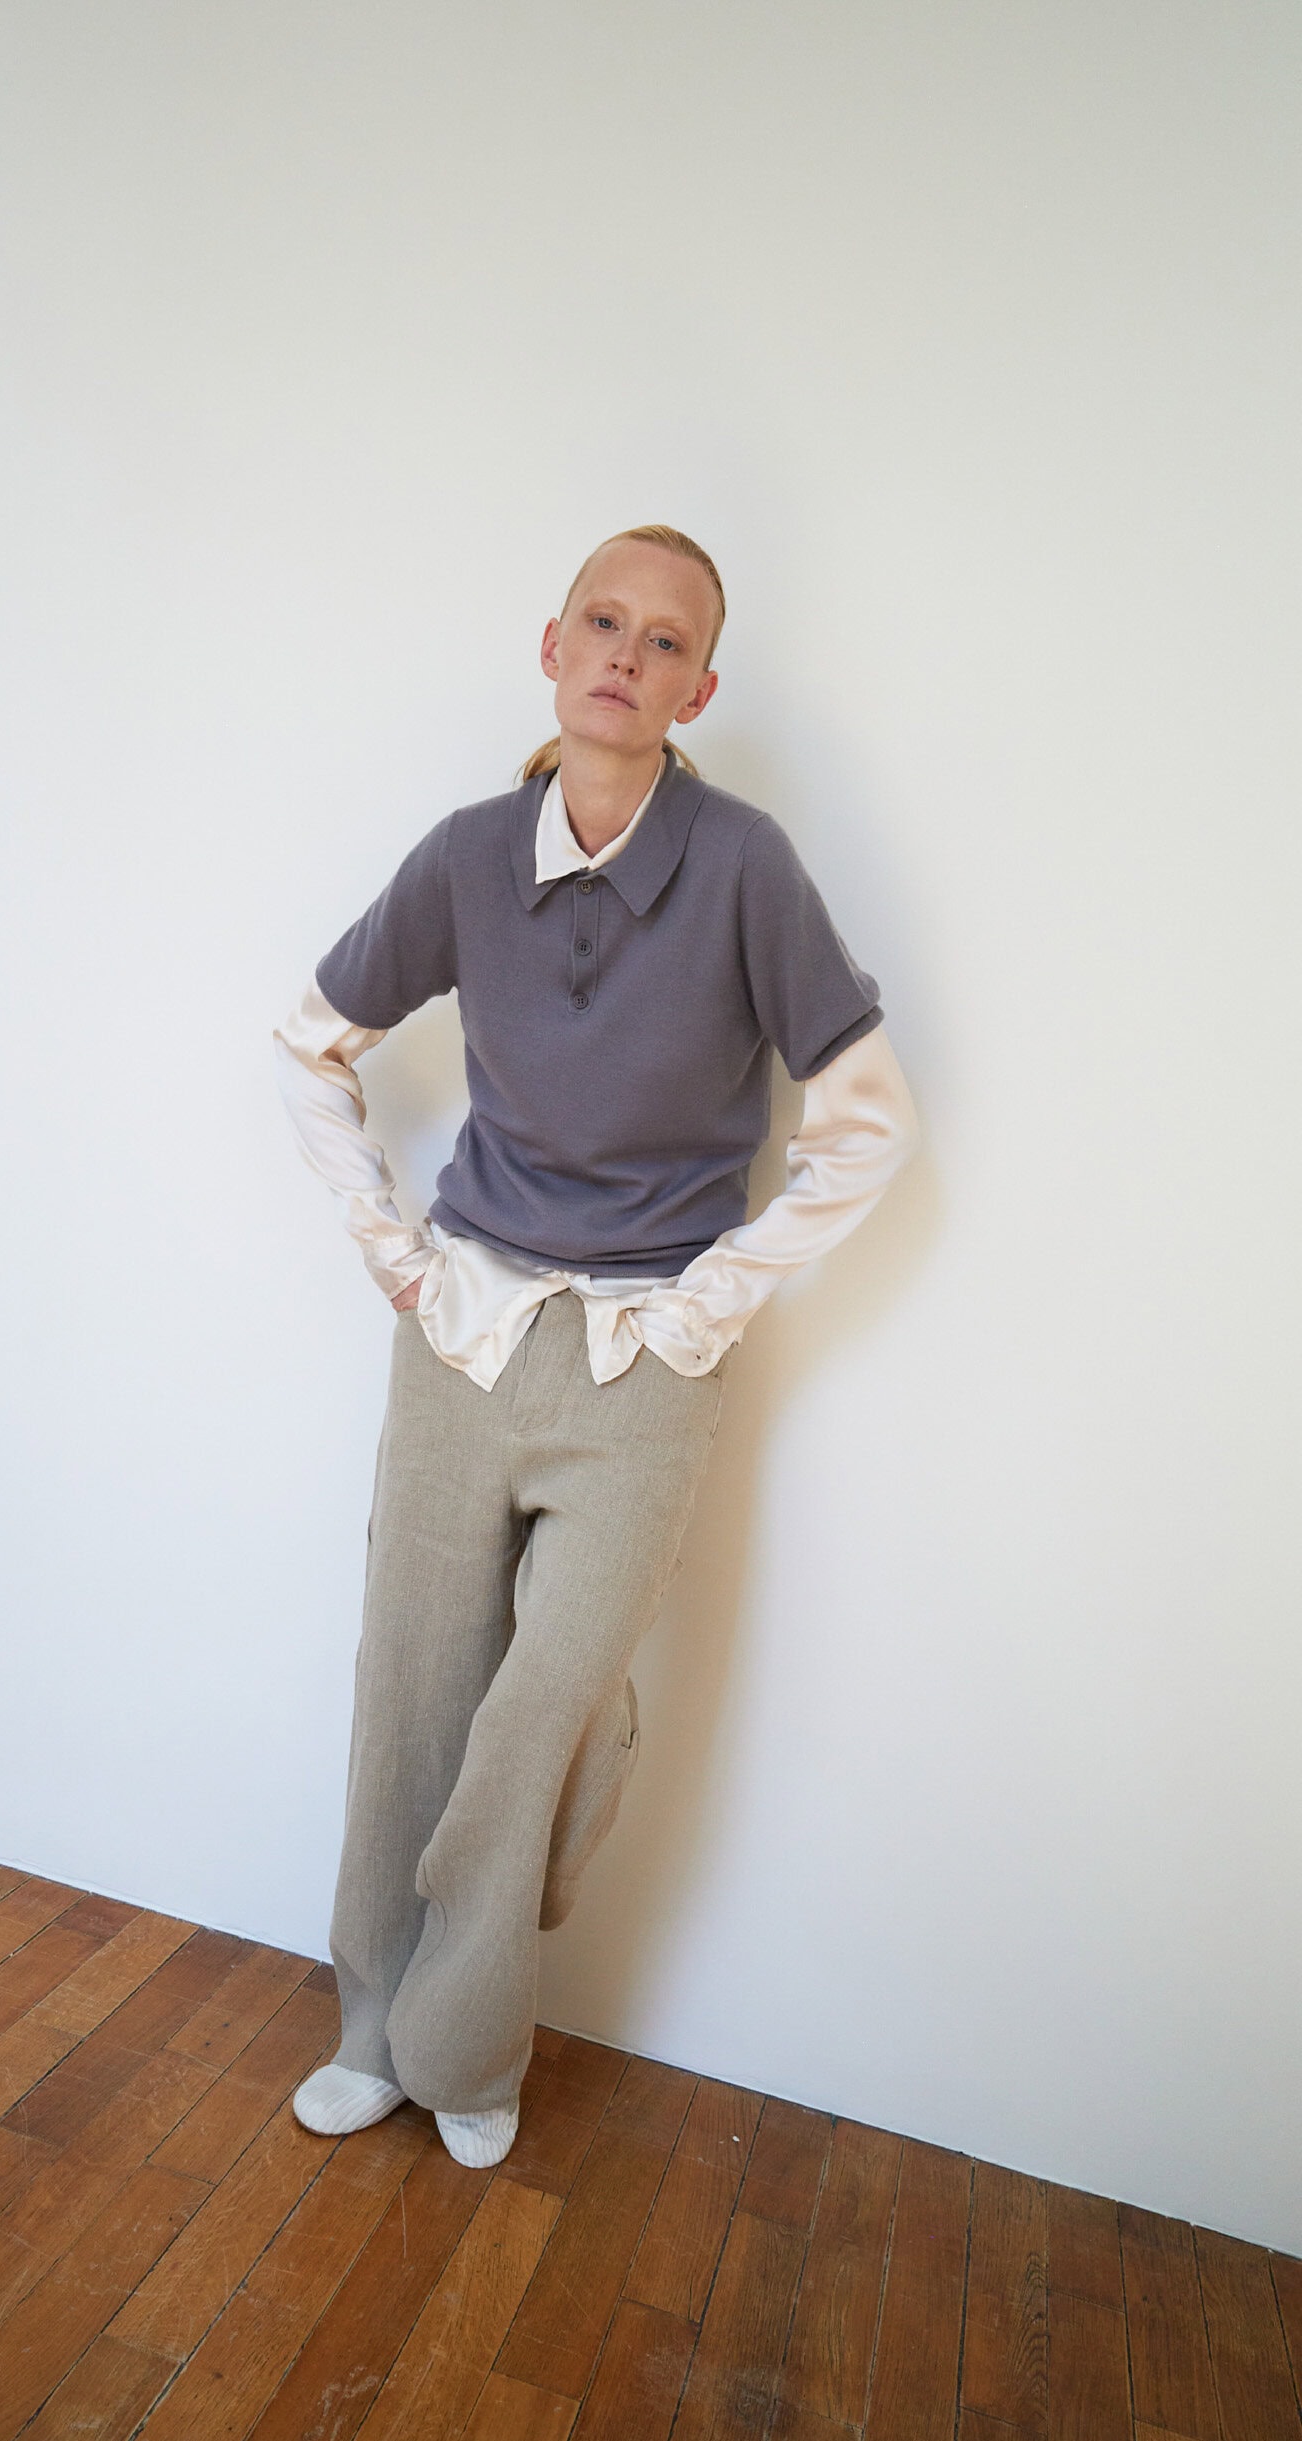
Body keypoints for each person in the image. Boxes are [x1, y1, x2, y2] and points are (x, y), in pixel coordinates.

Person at [272, 525, 918, 2167]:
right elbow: (309, 1045)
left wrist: (714, 1299)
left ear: (699, 688)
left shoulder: (747, 867)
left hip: (644, 1368)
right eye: (603, 621)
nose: (629, 652)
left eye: (666, 638)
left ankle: (466, 2042)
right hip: (464, 1337)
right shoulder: (465, 858)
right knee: (411, 1697)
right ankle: (375, 2029)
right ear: (552, 646)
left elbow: (867, 1123)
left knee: (544, 1711)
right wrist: (392, 1251)